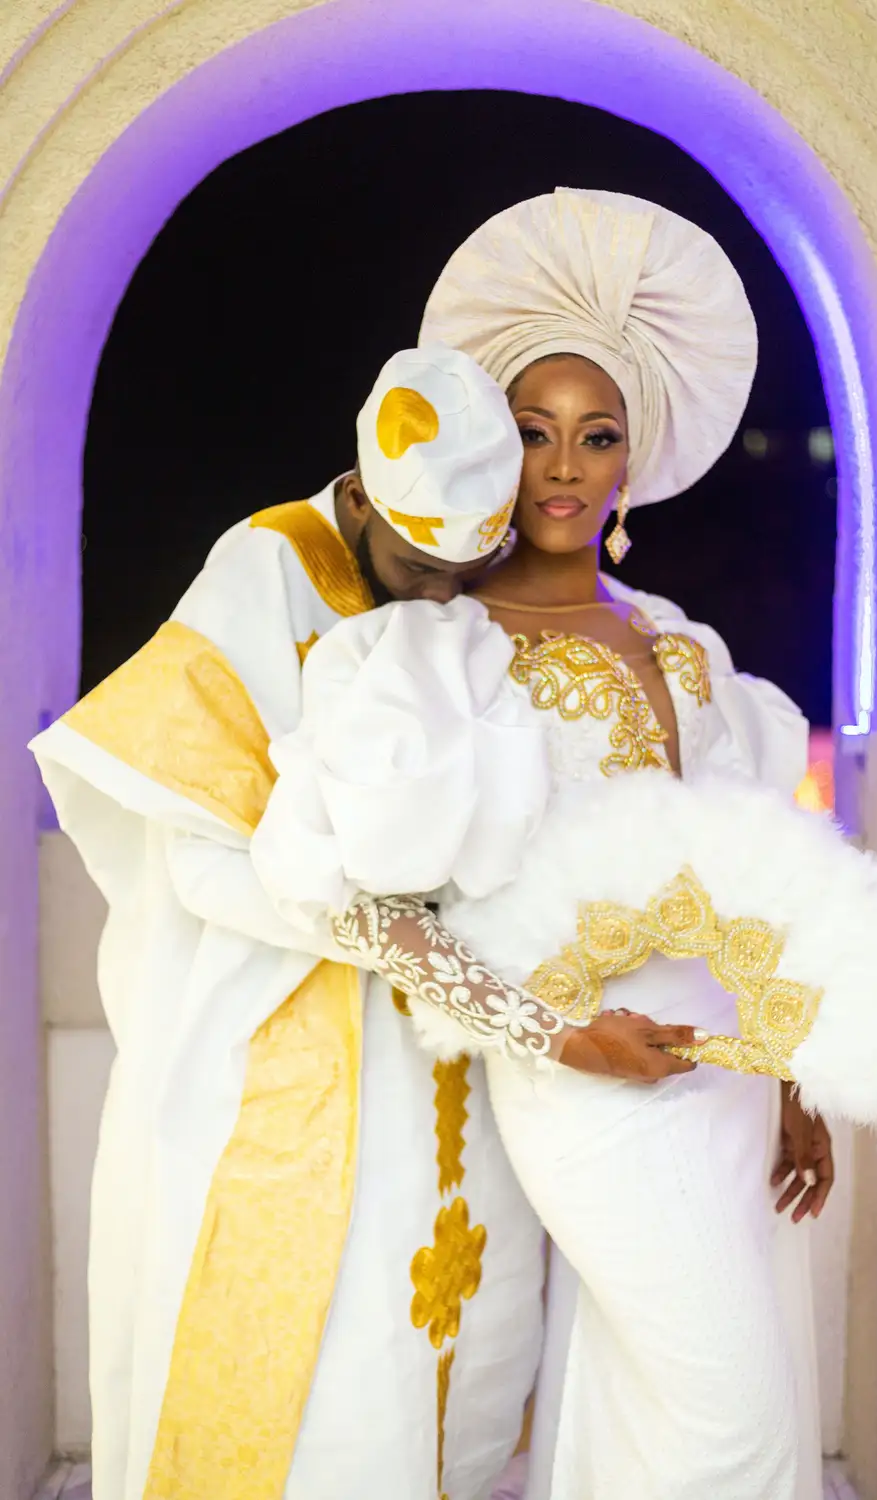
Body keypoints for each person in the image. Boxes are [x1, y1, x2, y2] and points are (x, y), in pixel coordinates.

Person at [30, 343, 700, 1500]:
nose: (442, 594)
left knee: (441, 1348)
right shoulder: (265, 567)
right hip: (279, 1051)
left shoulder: (435, 592)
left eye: (466, 566)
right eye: (416, 563)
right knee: (320, 1368)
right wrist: (381, 923)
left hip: (430, 1053)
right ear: (358, 495)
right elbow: (200, 860)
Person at [251, 192, 833, 1500]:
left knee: (649, 1403)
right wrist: (558, 1036)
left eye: (597, 434)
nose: (564, 465)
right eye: (532, 432)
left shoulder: (687, 644)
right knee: (729, 1418)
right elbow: (345, 902)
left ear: (632, 462)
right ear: (489, 455)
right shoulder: (434, 652)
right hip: (586, 1080)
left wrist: (795, 1079)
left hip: (727, 1072)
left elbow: (747, 873)